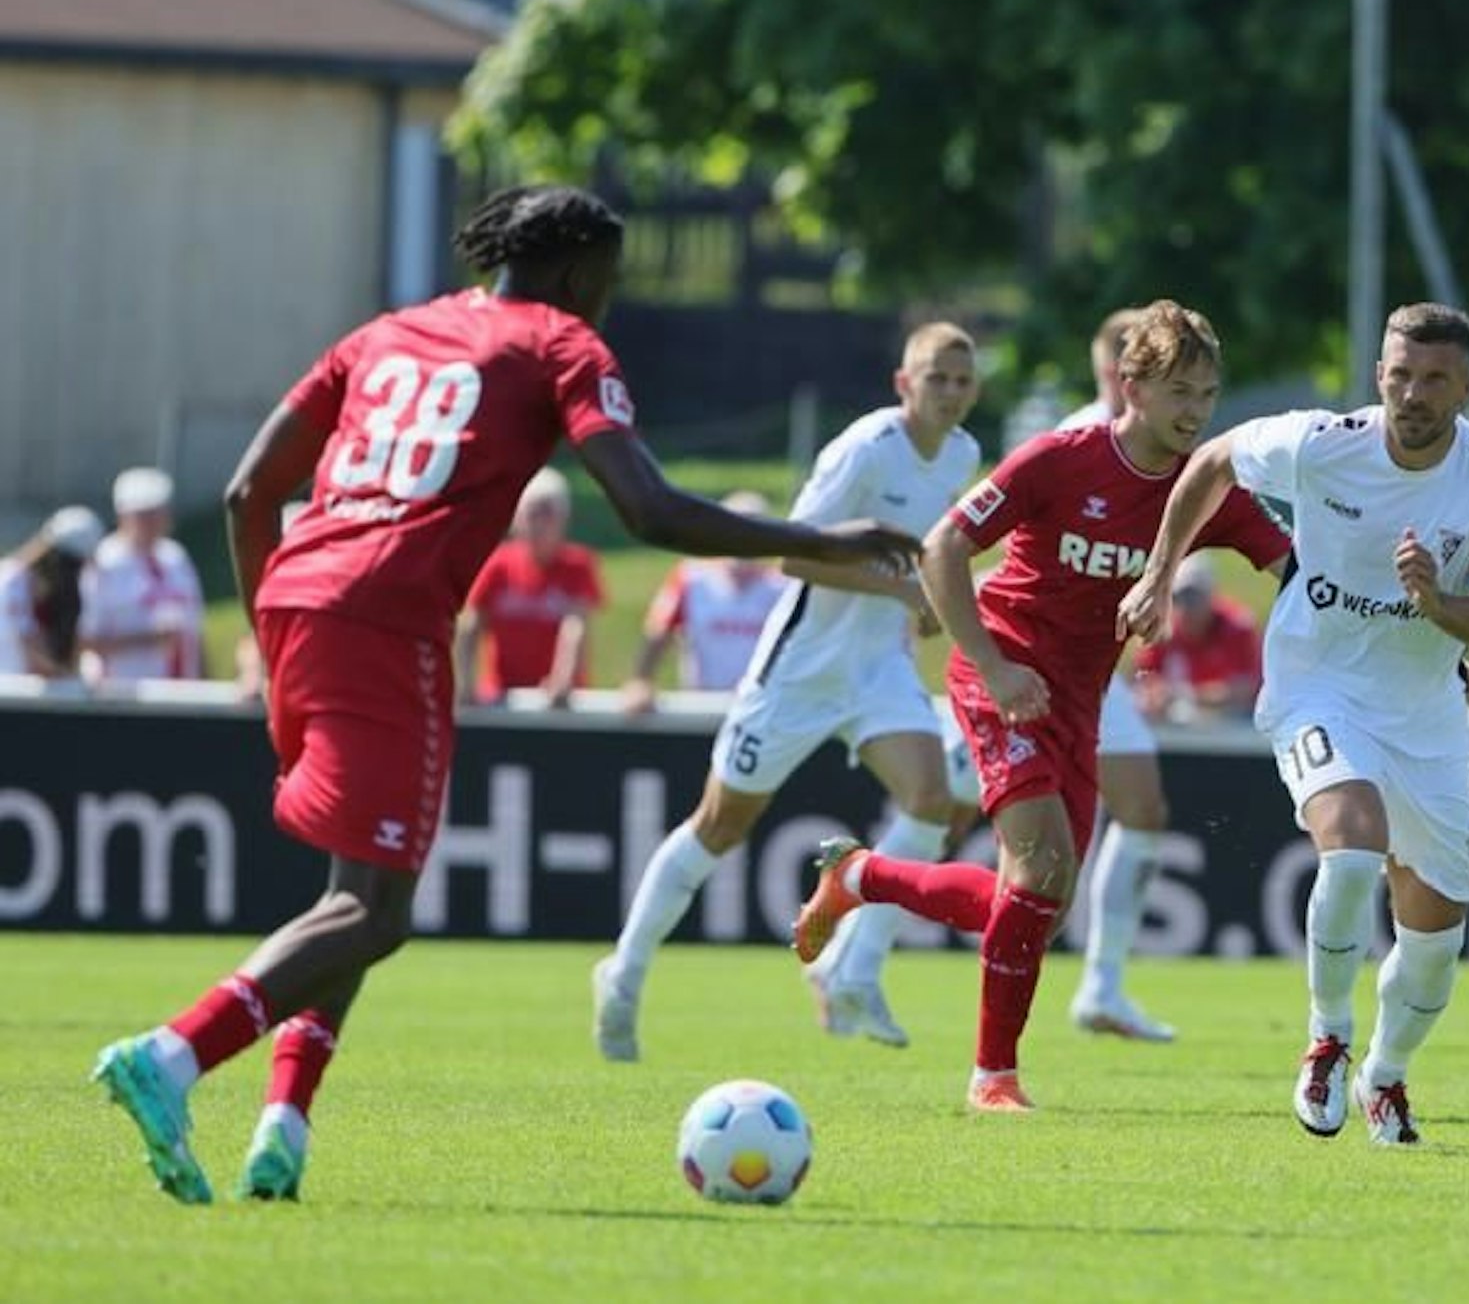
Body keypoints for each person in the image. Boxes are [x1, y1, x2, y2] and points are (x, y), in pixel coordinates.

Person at [89, 184, 920, 1206]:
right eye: (606, 283)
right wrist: (818, 541)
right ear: (575, 271)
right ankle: (172, 1056)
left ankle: (284, 1123)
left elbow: (247, 491)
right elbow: (648, 510)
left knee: (355, 888)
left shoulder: (384, 332)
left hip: (295, 600)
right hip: (390, 619)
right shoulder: (560, 344)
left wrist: (268, 636)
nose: (606, 304)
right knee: (376, 908)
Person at [793, 300, 1294, 1112]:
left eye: (1207, 394)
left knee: (1039, 906)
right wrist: (990, 668)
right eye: (1180, 392)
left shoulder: (1206, 487)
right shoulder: (1062, 459)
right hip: (1005, 677)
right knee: (1041, 871)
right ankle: (993, 1077)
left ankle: (863, 875)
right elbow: (943, 546)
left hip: (1081, 699)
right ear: (1129, 385)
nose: (1197, 411)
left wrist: (1409, 639)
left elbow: (1295, 567)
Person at [1121, 302, 1469, 1147]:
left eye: (1432, 378)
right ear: (1378, 370)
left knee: (1434, 938)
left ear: (1464, 387)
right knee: (1349, 844)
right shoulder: (1321, 441)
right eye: (1398, 372)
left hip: (1424, 716)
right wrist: (1161, 574)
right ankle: (1327, 1038)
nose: (1411, 392)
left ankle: (1385, 1075)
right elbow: (1209, 461)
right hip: (1316, 685)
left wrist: (1435, 601)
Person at [594, 323, 982, 1060]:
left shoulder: (962, 453)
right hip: (799, 669)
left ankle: (852, 969)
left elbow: (927, 553)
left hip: (877, 669)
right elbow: (792, 556)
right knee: (719, 826)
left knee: (933, 800)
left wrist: (930, 596)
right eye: (938, 378)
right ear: (904, 383)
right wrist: (902, 591)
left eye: (964, 381)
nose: (952, 393)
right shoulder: (864, 449)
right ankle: (625, 969)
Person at [622, 490, 788, 705]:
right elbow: (658, 633)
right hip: (701, 705)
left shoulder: (782, 588)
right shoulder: (691, 579)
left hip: (759, 708)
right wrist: (641, 680)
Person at [456, 467, 605, 706]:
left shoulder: (578, 565)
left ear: (563, 519)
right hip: (502, 697)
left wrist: (562, 679)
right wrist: (465, 682)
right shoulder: (497, 564)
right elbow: (471, 624)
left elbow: (575, 626)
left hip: (556, 699)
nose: (539, 524)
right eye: (532, 513)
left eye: (548, 514)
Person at [79, 468, 206, 683]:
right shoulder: (104, 563)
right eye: (144, 515)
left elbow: (196, 632)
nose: (153, 522)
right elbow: (84, 640)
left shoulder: (175, 557)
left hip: (180, 690)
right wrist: (148, 640)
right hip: (122, 693)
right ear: (123, 516)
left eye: (158, 513)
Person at [1133, 554, 1263, 722]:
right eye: (1179, 597)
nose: (1187, 607)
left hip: (1232, 725)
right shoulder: (1162, 630)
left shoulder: (1239, 627)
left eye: (1194, 597)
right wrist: (1156, 695)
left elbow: (1247, 688)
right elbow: (1145, 681)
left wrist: (1185, 696)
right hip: (1175, 727)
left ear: (1211, 596)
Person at [0, 506, 105, 679]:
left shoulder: (49, 591)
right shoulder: (12, 581)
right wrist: (71, 681)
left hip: (25, 697)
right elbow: (33, 652)